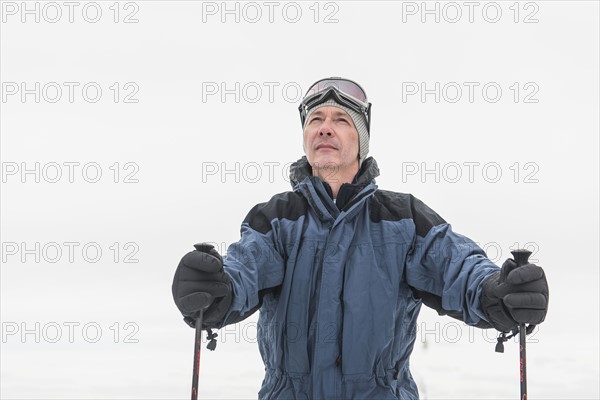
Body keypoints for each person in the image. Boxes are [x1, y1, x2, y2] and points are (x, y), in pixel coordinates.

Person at [172, 77, 549, 399]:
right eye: (315, 119)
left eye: (340, 120)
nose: (324, 127)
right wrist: (214, 287)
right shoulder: (275, 219)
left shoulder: (404, 218)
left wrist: (498, 290)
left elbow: (460, 269)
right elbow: (242, 273)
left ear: (361, 140)